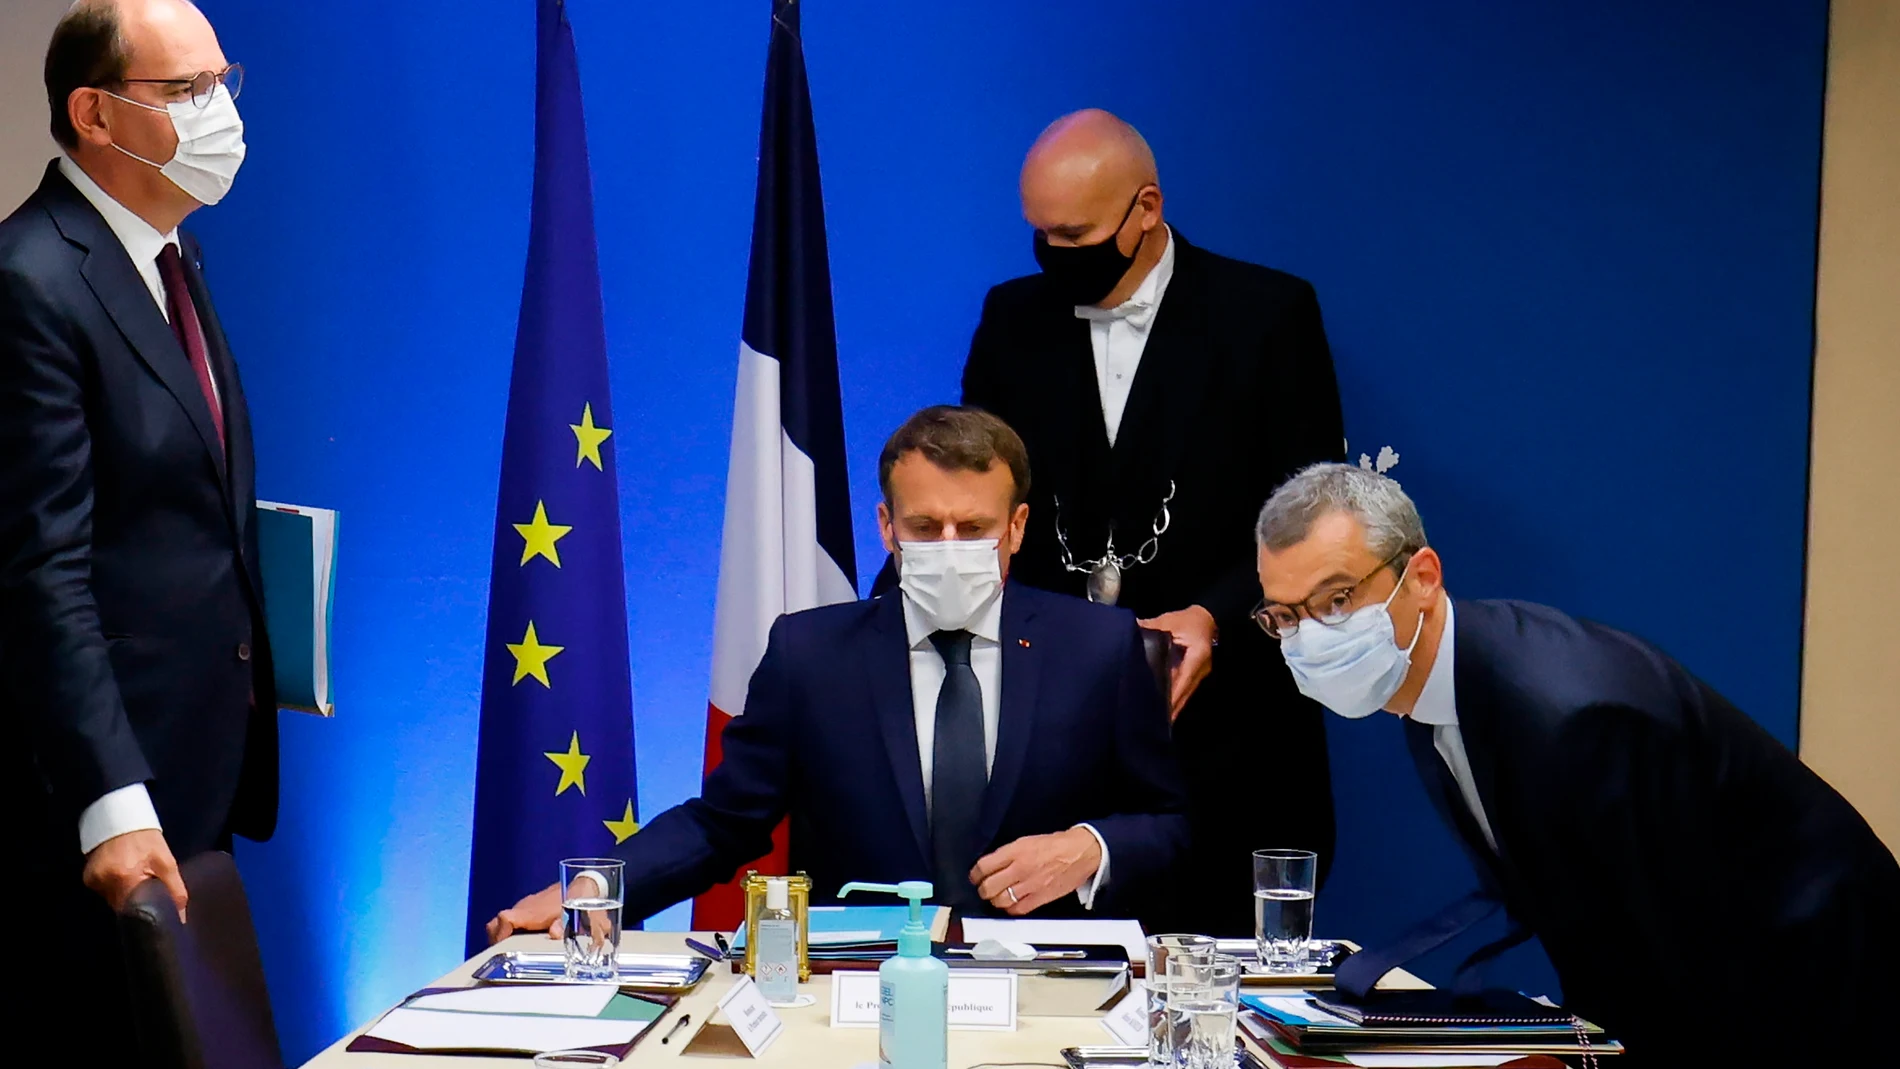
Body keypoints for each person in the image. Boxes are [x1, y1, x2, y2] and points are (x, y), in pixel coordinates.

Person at [1252, 463, 1900, 1060]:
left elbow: (1677, 950)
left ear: (1422, 576)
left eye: (1336, 600)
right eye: (1285, 616)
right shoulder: (1432, 684)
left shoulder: (1567, 718)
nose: (1310, 637)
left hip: (1815, 966)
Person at [488, 407, 1189, 938]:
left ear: (1017, 527)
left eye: (973, 529)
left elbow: (1169, 821)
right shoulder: (811, 654)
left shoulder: (1098, 645)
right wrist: (600, 888)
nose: (950, 547)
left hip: (1048, 982)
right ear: (886, 526)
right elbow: (724, 821)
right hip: (857, 984)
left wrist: (1088, 847)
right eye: (925, 527)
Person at [953, 108, 1345, 934]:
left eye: (1076, 233)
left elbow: (1319, 519)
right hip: (1055, 744)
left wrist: (1214, 619)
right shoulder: (1011, 319)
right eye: (1040, 235)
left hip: (1233, 744)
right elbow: (976, 501)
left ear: (1147, 209)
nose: (1057, 254)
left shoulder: (1267, 314)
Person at [0, 0, 272, 1049]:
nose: (220, 115)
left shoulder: (170, 258)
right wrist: (110, 799)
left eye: (222, 81)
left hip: (196, 773)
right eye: (185, 91)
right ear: (95, 115)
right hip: (98, 806)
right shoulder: (31, 278)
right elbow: (39, 571)